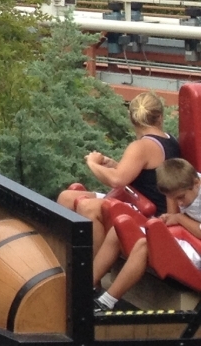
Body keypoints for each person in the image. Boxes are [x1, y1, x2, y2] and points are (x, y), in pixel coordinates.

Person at [58, 93, 182, 250]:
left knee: (88, 207)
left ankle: (90, 265)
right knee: (66, 198)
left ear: (131, 118)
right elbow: (148, 177)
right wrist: (114, 165)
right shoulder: (169, 140)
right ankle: (63, 260)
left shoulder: (142, 147)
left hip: (149, 212)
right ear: (160, 117)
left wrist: (92, 163)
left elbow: (117, 181)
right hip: (136, 198)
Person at [92, 157, 201, 313]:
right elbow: (174, 215)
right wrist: (170, 218)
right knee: (119, 229)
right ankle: (88, 286)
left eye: (181, 197)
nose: (180, 203)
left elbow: (182, 220)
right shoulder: (182, 185)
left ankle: (106, 302)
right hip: (184, 236)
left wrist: (179, 218)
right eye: (174, 198)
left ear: (196, 184)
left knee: (146, 245)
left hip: (196, 247)